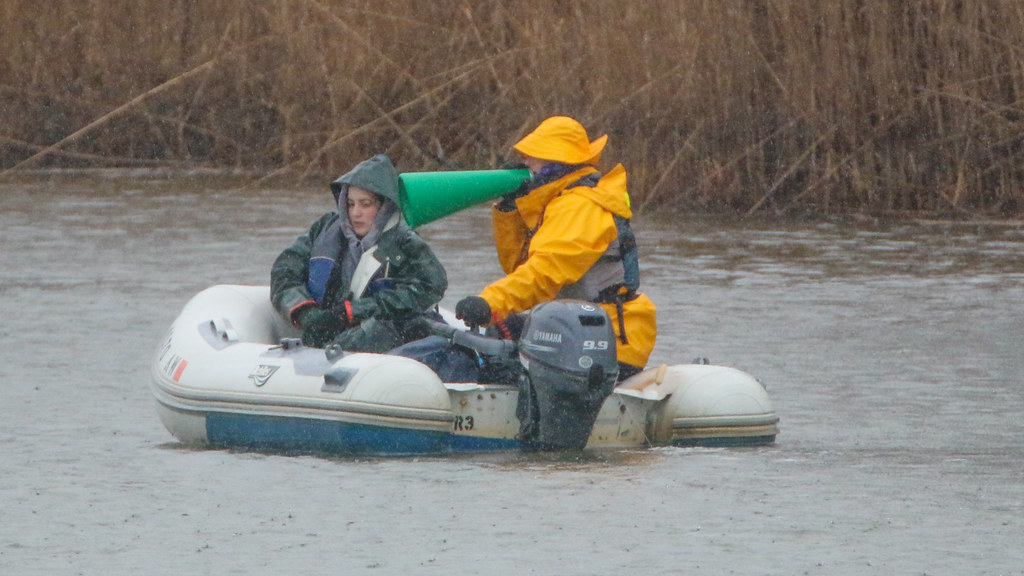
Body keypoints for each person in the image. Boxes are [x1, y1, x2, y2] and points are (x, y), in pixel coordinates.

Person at [455, 116, 657, 380]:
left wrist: (489, 303)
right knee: (504, 327)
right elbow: (520, 268)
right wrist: (510, 211)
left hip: (606, 343)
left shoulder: (579, 205)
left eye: (533, 157)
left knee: (486, 355)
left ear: (555, 162)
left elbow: (544, 274)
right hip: (577, 329)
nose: (525, 163)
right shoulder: (559, 200)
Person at [271, 154, 447, 352]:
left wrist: (351, 312)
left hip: (377, 344)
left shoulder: (406, 243)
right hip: (318, 338)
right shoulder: (322, 229)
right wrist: (307, 313)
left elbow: (430, 287)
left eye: (365, 204)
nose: (355, 213)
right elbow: (284, 271)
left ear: (384, 205)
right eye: (350, 203)